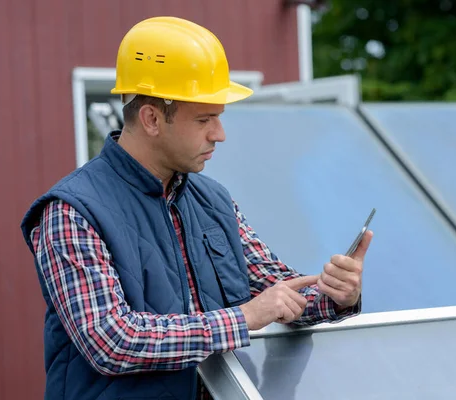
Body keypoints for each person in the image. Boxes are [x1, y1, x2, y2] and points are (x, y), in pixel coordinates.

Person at [20, 16, 373, 400]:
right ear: (152, 118)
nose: (219, 134)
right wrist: (241, 319)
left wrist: (337, 296)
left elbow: (278, 293)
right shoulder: (72, 212)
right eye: (204, 119)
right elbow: (112, 341)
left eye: (218, 117)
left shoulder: (213, 201)